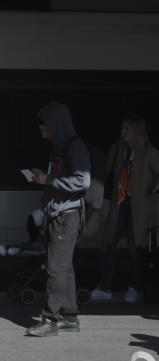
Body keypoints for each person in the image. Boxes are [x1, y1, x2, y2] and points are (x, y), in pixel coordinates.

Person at [25, 102, 91, 337]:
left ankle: (49, 319)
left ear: (57, 126)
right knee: (64, 267)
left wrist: (49, 181)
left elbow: (83, 182)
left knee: (55, 268)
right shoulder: (61, 146)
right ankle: (70, 317)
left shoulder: (74, 146)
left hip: (66, 215)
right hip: (60, 213)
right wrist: (44, 177)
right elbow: (64, 178)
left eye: (46, 130)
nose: (44, 135)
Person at [92, 115, 159, 303]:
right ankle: (104, 288)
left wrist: (155, 185)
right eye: (122, 128)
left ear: (136, 131)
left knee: (134, 249)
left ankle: (133, 289)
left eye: (127, 129)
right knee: (107, 245)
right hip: (119, 202)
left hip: (139, 206)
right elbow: (104, 170)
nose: (122, 132)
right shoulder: (118, 148)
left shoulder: (148, 151)